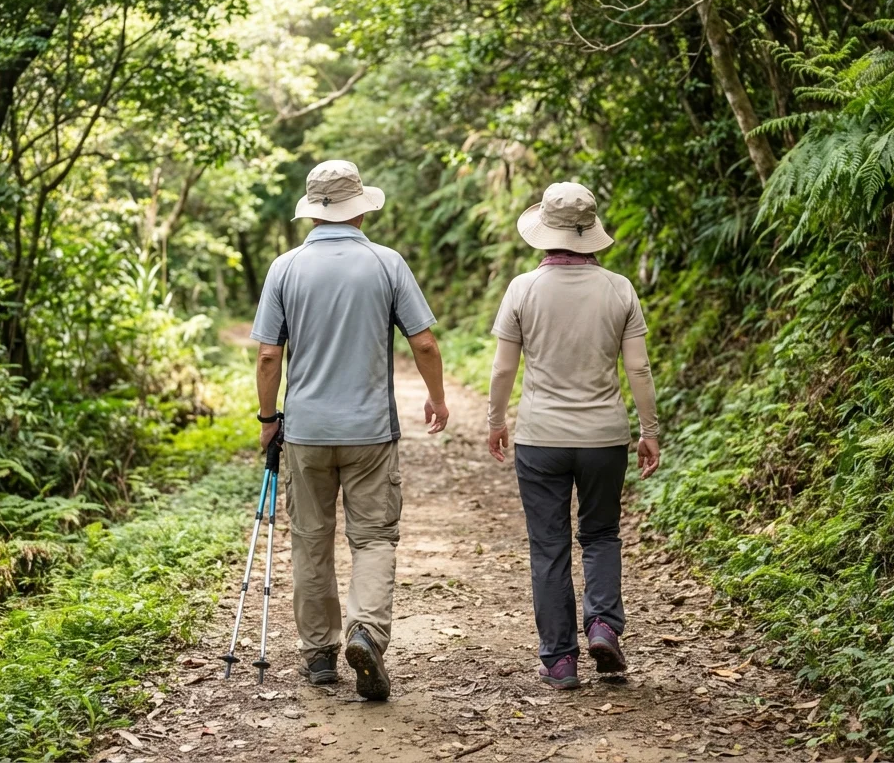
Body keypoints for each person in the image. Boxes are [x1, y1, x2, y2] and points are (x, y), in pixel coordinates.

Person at [251, 160, 449, 701]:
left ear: (313, 211)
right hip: (370, 433)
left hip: (307, 433)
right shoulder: (386, 263)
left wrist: (269, 420)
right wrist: (436, 396)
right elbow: (424, 342)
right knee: (374, 538)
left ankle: (318, 654)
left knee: (311, 540)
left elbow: (270, 355)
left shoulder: (284, 268)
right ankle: (365, 632)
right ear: (360, 207)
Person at [485, 181, 660, 691]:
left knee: (549, 546)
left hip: (541, 438)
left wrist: (497, 421)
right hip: (605, 437)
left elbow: (502, 369)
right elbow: (639, 369)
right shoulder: (619, 288)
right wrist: (648, 432)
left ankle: (560, 660)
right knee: (601, 534)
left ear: (546, 234)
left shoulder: (523, 288)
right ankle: (604, 625)